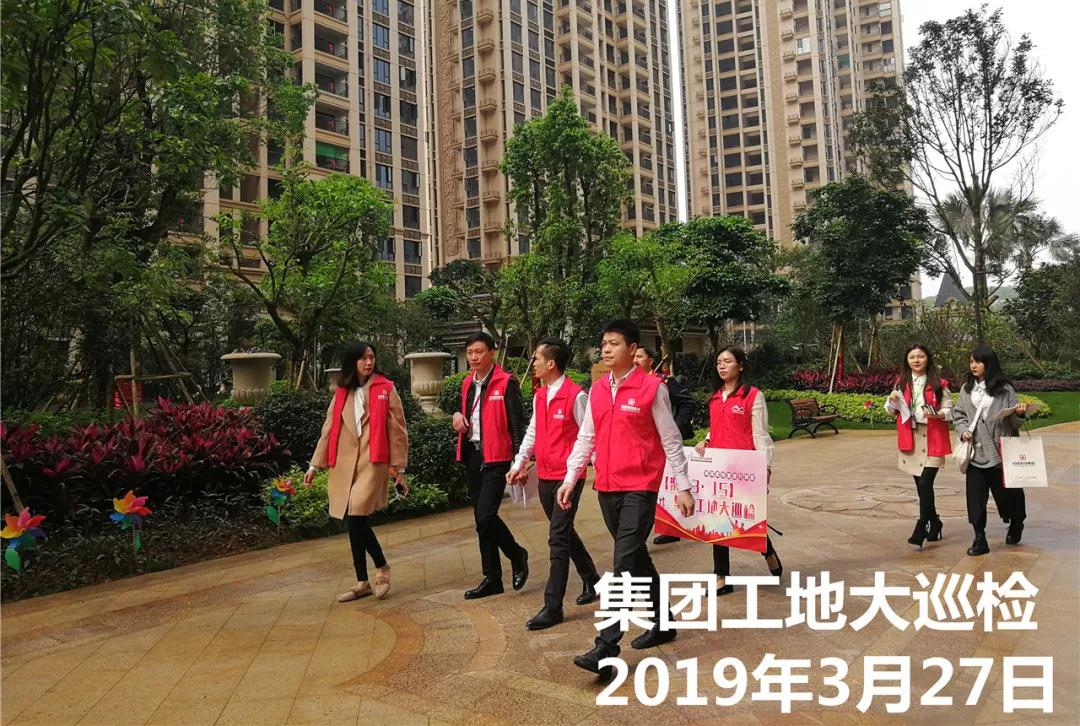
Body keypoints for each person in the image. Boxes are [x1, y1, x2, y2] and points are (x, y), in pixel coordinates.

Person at [557, 320, 696, 675]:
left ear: (633, 350)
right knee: (636, 558)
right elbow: (587, 437)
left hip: (641, 487)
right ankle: (664, 621)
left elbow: (670, 439)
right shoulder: (598, 389)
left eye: (614, 343)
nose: (606, 349)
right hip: (607, 487)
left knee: (622, 564)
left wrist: (683, 486)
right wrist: (571, 477)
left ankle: (606, 646)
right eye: (604, 343)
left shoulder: (652, 388)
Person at [508, 338, 600, 630]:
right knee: (564, 531)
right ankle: (592, 578)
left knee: (557, 538)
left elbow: (589, 437)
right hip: (545, 475)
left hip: (568, 478)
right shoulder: (541, 394)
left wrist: (598, 470)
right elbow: (533, 431)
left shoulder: (576, 396)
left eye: (536, 358)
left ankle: (553, 606)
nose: (532, 363)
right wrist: (519, 463)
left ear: (551, 363)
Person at [307, 342, 409, 602]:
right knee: (354, 521)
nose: (368, 362)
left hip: (372, 461)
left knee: (355, 516)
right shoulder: (342, 392)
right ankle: (362, 582)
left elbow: (398, 431)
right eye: (363, 358)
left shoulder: (386, 388)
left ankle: (382, 566)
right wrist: (314, 465)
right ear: (352, 362)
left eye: (371, 357)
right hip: (344, 464)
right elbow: (329, 428)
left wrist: (399, 467)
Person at [693, 346, 782, 595]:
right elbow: (718, 427)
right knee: (718, 520)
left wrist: (765, 468)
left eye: (728, 361)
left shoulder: (752, 396)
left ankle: (768, 551)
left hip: (744, 470)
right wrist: (706, 440)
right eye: (718, 362)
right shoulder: (715, 397)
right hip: (718, 469)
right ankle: (721, 577)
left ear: (740, 365)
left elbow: (760, 435)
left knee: (747, 520)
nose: (721, 366)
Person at [453, 332, 529, 599]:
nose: (473, 357)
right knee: (481, 521)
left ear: (491, 353)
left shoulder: (506, 382)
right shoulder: (467, 382)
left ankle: (517, 555)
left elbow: (518, 425)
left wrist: (520, 461)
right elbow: (465, 413)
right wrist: (457, 415)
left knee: (486, 516)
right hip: (473, 456)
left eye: (479, 352)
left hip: (498, 457)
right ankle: (492, 578)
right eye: (470, 353)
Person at [951, 345, 1030, 556]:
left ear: (989, 363)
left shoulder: (1005, 389)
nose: (973, 365)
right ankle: (979, 538)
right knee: (975, 498)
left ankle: (1016, 522)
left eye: (978, 361)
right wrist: (963, 430)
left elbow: (1014, 422)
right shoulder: (966, 389)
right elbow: (959, 415)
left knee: (1008, 495)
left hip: (1001, 453)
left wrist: (1019, 414)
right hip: (975, 453)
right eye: (971, 361)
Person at [885, 343, 953, 548]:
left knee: (925, 483)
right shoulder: (901, 383)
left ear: (928, 358)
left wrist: (939, 414)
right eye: (912, 357)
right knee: (922, 486)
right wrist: (891, 401)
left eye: (920, 356)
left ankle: (922, 524)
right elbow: (891, 410)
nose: (916, 360)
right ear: (907, 360)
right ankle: (935, 521)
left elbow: (950, 410)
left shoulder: (939, 384)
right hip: (911, 437)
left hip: (932, 436)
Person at [633, 346, 695, 546]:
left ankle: (665, 530)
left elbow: (687, 403)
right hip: (643, 448)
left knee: (667, 487)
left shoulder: (664, 382)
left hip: (665, 445)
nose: (635, 360)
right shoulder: (631, 384)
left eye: (640, 357)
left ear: (650, 361)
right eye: (633, 357)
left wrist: (673, 428)